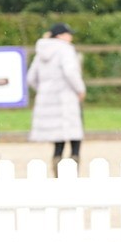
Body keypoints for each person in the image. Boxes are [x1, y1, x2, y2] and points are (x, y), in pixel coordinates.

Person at [27, 23, 87, 177]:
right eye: (68, 34)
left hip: (47, 98)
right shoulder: (65, 49)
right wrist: (80, 89)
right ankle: (73, 170)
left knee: (58, 139)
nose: (71, 37)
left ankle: (57, 171)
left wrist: (43, 89)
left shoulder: (41, 52)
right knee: (74, 135)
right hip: (66, 98)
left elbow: (31, 78)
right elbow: (70, 72)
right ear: (60, 36)